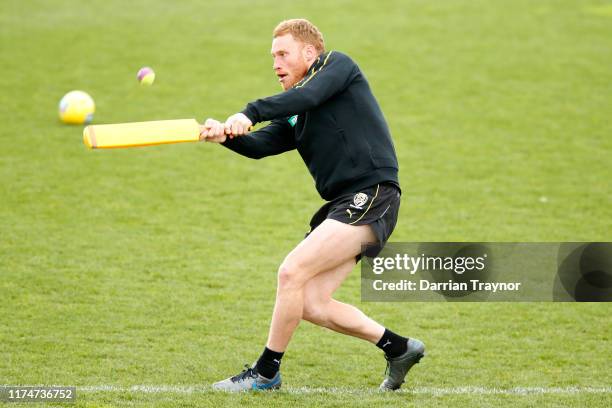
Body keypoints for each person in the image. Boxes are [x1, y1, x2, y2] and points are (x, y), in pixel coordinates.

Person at [200, 18, 424, 392]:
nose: (275, 64)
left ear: (309, 52)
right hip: (346, 203)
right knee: (310, 301)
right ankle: (398, 348)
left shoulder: (337, 67)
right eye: (272, 56)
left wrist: (250, 112)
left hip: (372, 194)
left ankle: (266, 372)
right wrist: (225, 136)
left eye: (283, 54)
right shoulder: (297, 110)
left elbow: (307, 95)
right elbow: (261, 146)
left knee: (291, 272)